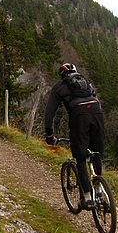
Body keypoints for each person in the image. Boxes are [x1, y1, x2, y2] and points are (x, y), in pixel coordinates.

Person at [45, 63, 105, 209]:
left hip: (79, 116)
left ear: (62, 75)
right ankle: (99, 190)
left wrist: (49, 133)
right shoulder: (86, 82)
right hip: (97, 113)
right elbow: (96, 100)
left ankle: (87, 197)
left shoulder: (59, 86)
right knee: (96, 153)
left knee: (80, 157)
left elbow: (50, 111)